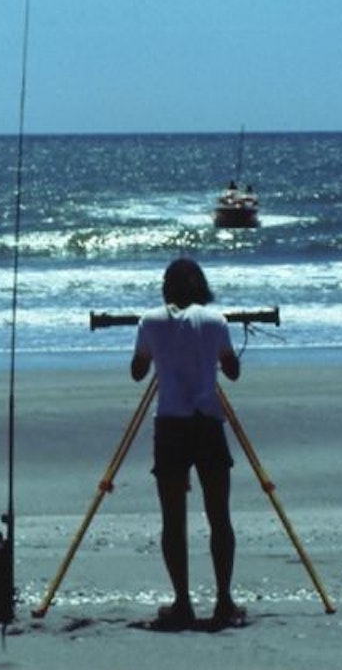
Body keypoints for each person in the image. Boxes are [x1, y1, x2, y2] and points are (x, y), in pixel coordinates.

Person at [130, 257, 245, 631]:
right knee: (219, 516)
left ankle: (182, 602)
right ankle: (224, 600)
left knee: (173, 518)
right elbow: (231, 371)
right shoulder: (215, 321)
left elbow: (138, 371)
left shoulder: (149, 321)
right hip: (208, 424)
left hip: (171, 426)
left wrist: (164, 354)